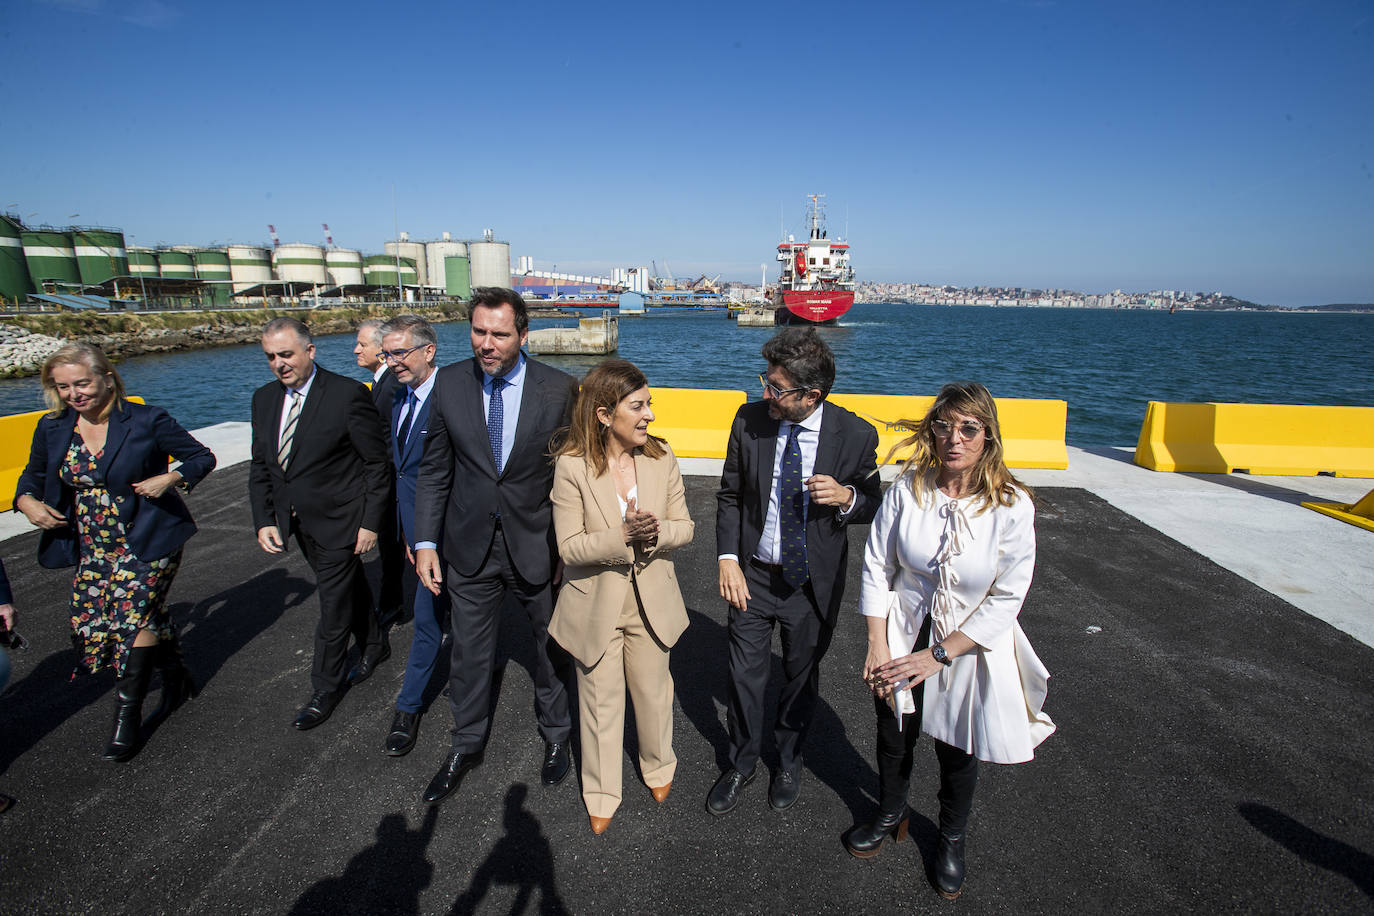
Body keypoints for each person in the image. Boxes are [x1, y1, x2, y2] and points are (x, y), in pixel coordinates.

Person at [851, 382, 1055, 900]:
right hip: (904, 629)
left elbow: (1008, 597)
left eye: (968, 428)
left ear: (988, 436)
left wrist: (940, 654)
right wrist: (878, 645)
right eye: (943, 427)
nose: (954, 439)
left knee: (958, 747)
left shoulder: (1011, 506)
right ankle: (892, 812)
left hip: (965, 643)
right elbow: (878, 565)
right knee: (894, 731)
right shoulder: (908, 490)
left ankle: (951, 837)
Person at [413, 287, 578, 806]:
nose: (487, 344)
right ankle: (466, 742)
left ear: (523, 335)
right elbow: (435, 469)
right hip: (469, 545)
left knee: (550, 649)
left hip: (538, 544)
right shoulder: (449, 384)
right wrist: (424, 541)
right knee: (468, 652)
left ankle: (557, 737)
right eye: (479, 332)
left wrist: (568, 550)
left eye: (500, 334)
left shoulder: (559, 389)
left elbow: (572, 475)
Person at [14, 343, 216, 761]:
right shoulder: (53, 427)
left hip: (148, 537)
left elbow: (200, 456)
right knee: (122, 616)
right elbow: (31, 478)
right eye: (64, 386)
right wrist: (27, 504)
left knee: (130, 619)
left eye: (82, 383)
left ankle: (128, 715)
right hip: (92, 542)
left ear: (107, 378)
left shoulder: (146, 419)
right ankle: (175, 677)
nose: (74, 394)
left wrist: (169, 478)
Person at [710, 327, 881, 815]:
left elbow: (874, 501)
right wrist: (728, 560)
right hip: (753, 577)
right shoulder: (749, 421)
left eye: (777, 388)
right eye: (765, 380)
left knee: (800, 679)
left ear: (812, 395)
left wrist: (847, 497)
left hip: (810, 585)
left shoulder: (855, 434)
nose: (766, 393)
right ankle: (741, 763)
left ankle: (788, 759)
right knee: (743, 677)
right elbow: (728, 495)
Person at [549, 360, 694, 835]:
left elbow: (686, 526)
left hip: (651, 599)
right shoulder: (571, 467)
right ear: (604, 414)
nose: (649, 415)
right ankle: (602, 792)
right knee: (598, 704)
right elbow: (569, 547)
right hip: (594, 604)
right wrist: (622, 536)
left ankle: (658, 768)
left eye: (649, 404)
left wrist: (651, 536)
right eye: (638, 406)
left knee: (654, 696)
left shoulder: (661, 457)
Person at [249, 317, 391, 730]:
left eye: (287, 354)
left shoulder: (346, 395)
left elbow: (375, 464)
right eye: (271, 357)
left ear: (310, 351)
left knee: (332, 607)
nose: (279, 364)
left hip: (342, 520)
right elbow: (263, 465)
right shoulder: (263, 400)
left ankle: (324, 687)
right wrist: (264, 519)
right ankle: (375, 643)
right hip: (296, 522)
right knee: (349, 586)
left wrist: (369, 522)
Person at [375, 315, 450, 757]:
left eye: (400, 352)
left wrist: (432, 537)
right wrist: (412, 533)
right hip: (418, 535)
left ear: (428, 350)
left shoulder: (455, 396)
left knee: (433, 620)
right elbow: (401, 469)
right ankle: (411, 706)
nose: (392, 361)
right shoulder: (395, 395)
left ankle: (409, 705)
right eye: (387, 353)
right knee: (430, 620)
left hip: (450, 535)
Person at [355, 318, 406, 626]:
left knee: (391, 548)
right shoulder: (384, 383)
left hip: (389, 481)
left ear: (381, 349)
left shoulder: (389, 387)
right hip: (388, 480)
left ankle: (392, 603)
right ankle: (391, 601)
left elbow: (388, 440)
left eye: (362, 344)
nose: (356, 350)